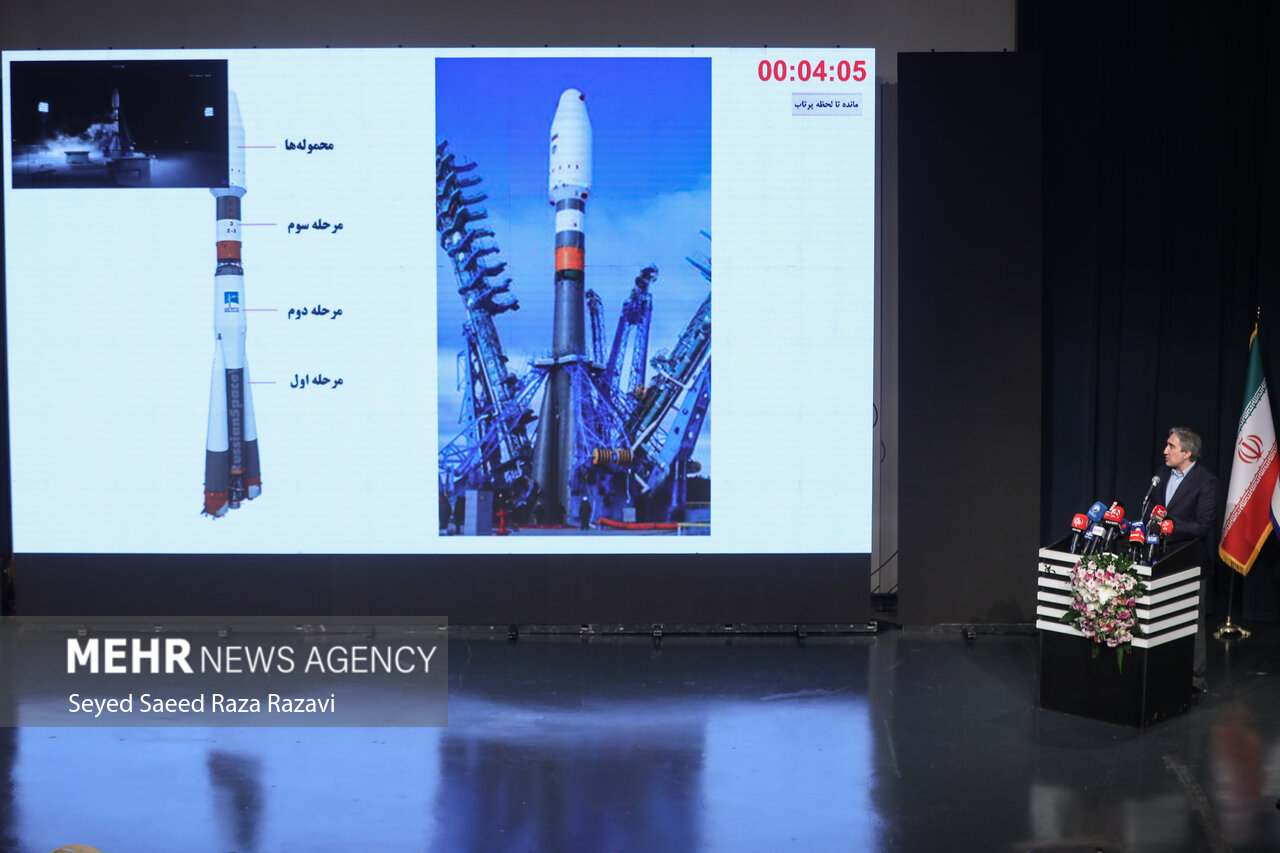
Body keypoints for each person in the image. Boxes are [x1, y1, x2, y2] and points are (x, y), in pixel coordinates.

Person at [1157, 426, 1219, 694]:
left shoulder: (1206, 482)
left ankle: (1195, 681)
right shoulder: (1161, 475)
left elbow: (1202, 527)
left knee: (1192, 621)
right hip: (1160, 559)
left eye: (1171, 446)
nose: (1165, 451)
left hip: (1189, 561)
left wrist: (1169, 527)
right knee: (1161, 618)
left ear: (1187, 453)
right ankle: (1163, 673)